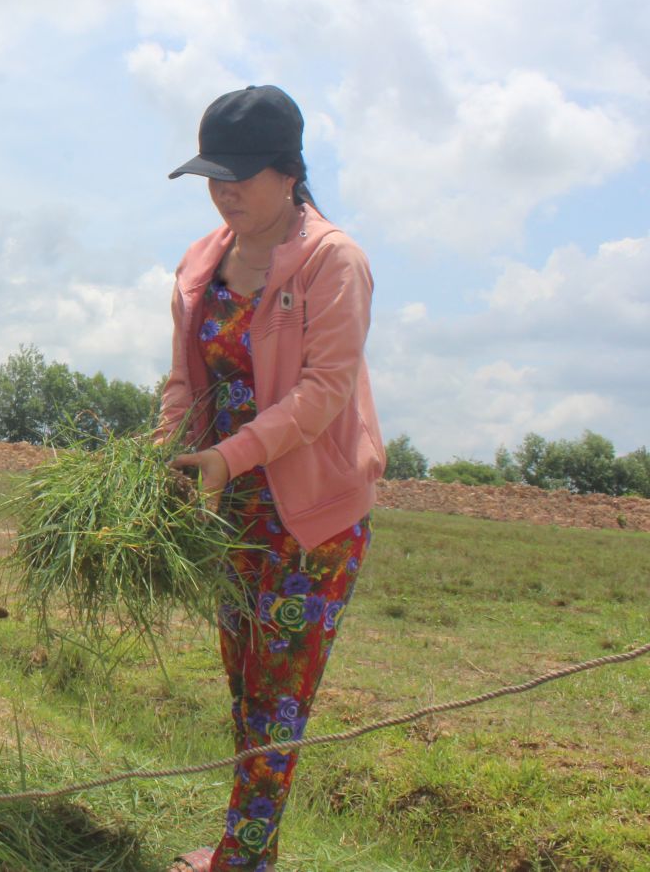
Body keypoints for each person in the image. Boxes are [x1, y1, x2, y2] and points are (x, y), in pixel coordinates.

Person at [156, 85, 385, 872]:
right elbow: (188, 381)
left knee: (279, 700)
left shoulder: (333, 261)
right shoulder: (202, 259)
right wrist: (167, 456)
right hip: (234, 509)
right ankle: (246, 847)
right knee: (245, 688)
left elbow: (323, 393)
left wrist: (226, 457)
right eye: (213, 174)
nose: (225, 190)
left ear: (289, 172)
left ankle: (241, 859)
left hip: (311, 516)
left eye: (241, 175)